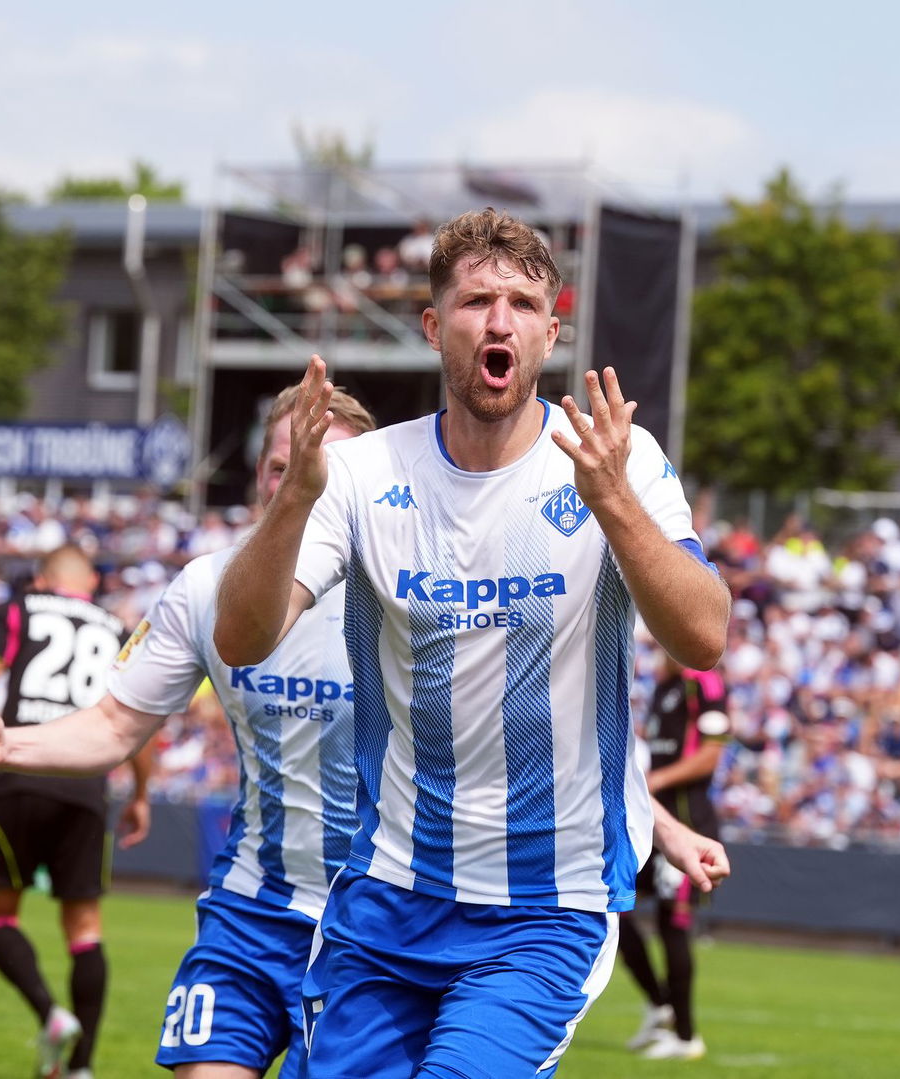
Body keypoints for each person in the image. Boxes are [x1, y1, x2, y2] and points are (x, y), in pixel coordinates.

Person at [211, 208, 733, 1077]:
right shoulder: (365, 473)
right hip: (388, 893)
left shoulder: (618, 458)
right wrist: (291, 502)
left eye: (523, 304)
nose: (500, 321)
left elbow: (704, 635)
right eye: (476, 301)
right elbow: (240, 637)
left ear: (549, 335)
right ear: (432, 325)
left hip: (546, 905)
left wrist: (613, 503)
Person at [0, 382, 379, 1078]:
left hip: (371, 924)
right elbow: (115, 723)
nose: (300, 483)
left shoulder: (403, 596)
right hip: (251, 909)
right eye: (283, 466)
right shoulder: (206, 587)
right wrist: (7, 744)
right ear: (258, 478)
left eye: (321, 467)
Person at [0, 544, 151, 1079]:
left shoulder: (18, 607)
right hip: (85, 781)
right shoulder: (118, 628)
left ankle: (49, 1014)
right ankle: (82, 1068)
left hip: (16, 768)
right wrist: (140, 792)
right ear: (91, 583)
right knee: (85, 929)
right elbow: (140, 715)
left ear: (41, 579)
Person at [620, 653, 731, 1061]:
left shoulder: (702, 681)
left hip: (687, 826)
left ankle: (686, 1037)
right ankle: (659, 1005)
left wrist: (654, 781)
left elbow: (712, 754)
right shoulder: (661, 687)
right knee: (612, 905)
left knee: (673, 924)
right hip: (653, 824)